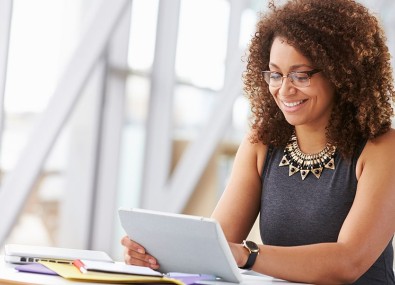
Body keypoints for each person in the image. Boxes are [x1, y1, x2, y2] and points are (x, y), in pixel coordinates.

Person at [121, 0, 395, 284]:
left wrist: (247, 255)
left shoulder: (383, 148)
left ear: (342, 73)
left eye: (301, 75)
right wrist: (155, 256)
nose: (284, 89)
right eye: (275, 74)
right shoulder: (262, 143)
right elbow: (217, 245)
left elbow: (347, 263)